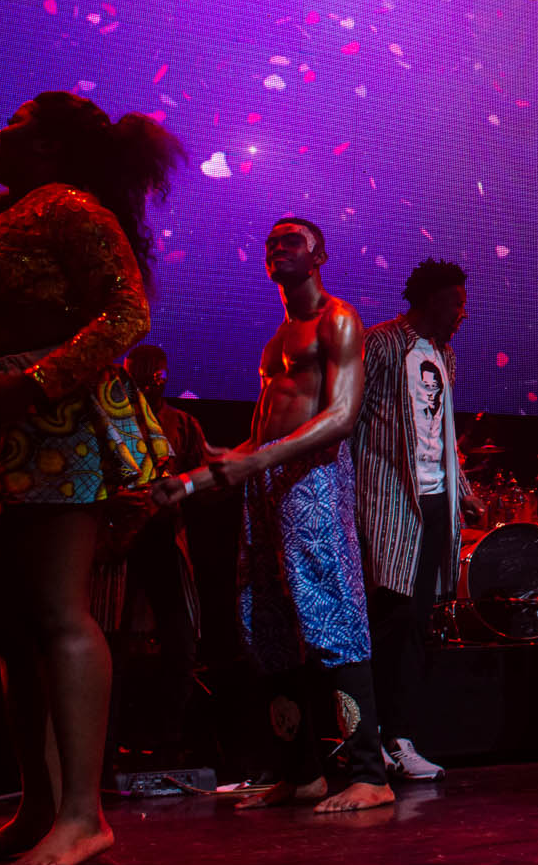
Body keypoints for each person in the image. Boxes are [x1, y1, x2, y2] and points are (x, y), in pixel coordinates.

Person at [0, 91, 180, 865]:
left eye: (14, 125)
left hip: (55, 424)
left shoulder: (72, 207)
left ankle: (83, 814)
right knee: (13, 626)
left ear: (46, 148)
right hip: (1, 430)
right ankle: (38, 807)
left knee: (54, 610)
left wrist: (35, 384)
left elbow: (125, 314)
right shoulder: (17, 210)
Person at [151, 217, 392, 813]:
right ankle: (301, 771)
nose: (277, 248)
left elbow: (340, 416)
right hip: (266, 486)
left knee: (331, 617)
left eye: (291, 240)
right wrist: (193, 477)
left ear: (319, 254)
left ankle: (369, 773)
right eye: (271, 242)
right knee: (268, 627)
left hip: (313, 479)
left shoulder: (338, 318)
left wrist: (253, 464)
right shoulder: (275, 339)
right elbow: (260, 438)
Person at [353, 257, 483, 782]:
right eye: (455, 302)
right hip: (388, 496)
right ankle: (371, 735)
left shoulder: (445, 356)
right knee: (389, 614)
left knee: (416, 620)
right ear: (430, 300)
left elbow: (443, 430)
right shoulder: (382, 343)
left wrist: (465, 490)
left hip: (435, 499)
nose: (462, 313)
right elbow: (352, 415)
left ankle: (398, 736)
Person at [111, 345, 206, 758]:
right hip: (116, 540)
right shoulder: (111, 419)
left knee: (180, 636)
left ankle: (169, 733)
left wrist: (180, 490)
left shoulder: (181, 423)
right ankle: (108, 734)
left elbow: (206, 483)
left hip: (165, 535)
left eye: (153, 374)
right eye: (137, 374)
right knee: (110, 636)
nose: (147, 381)